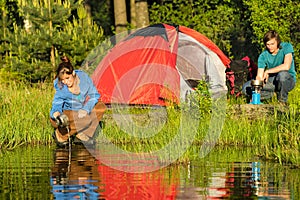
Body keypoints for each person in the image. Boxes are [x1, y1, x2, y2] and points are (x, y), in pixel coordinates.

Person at [50, 56, 106, 147]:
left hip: (82, 110)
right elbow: (56, 105)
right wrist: (57, 114)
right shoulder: (61, 87)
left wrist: (85, 109)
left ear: (73, 73)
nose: (65, 82)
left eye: (67, 78)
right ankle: (61, 135)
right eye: (62, 80)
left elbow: (94, 95)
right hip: (68, 113)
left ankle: (82, 135)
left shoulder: (84, 79)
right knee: (86, 119)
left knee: (101, 107)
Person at [242, 30, 297, 104]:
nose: (270, 47)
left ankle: (282, 101)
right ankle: (272, 95)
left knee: (282, 75)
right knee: (246, 87)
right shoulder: (263, 56)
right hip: (272, 81)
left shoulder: (287, 47)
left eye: (272, 44)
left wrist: (268, 71)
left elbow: (286, 66)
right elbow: (259, 76)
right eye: (268, 44)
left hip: (287, 79)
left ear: (277, 41)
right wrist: (257, 88)